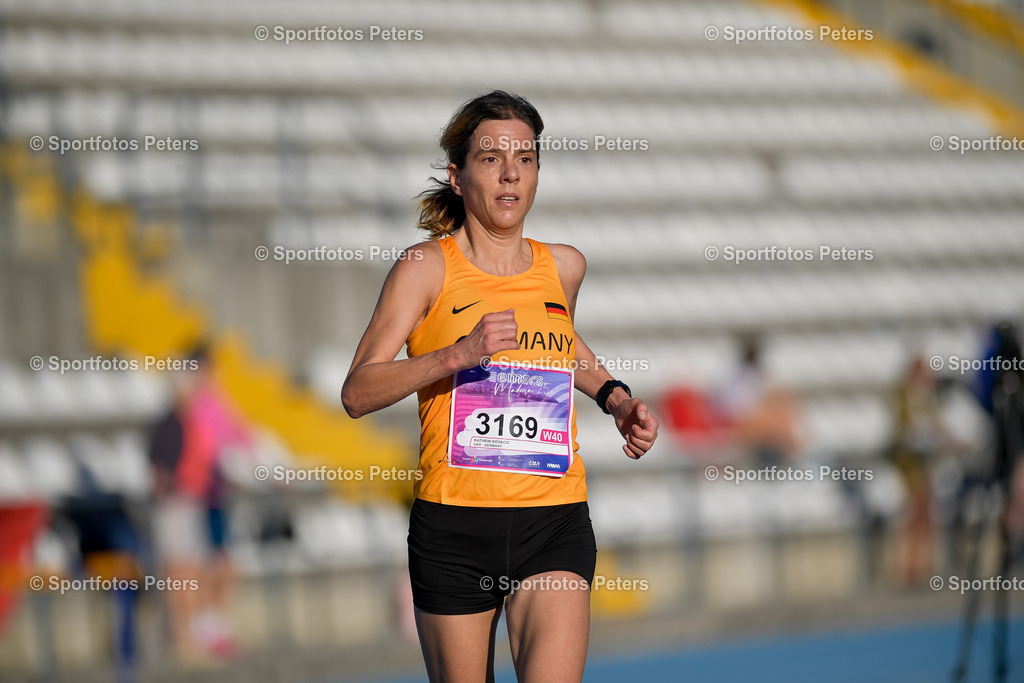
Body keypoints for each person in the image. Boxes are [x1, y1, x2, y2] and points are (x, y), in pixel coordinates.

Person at [342, 91, 659, 682]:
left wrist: (615, 397)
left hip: (553, 518)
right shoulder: (424, 267)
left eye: (526, 158)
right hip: (455, 527)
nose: (511, 172)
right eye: (491, 158)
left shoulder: (563, 266)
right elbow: (358, 392)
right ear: (457, 177)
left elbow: (562, 342)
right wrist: (457, 355)